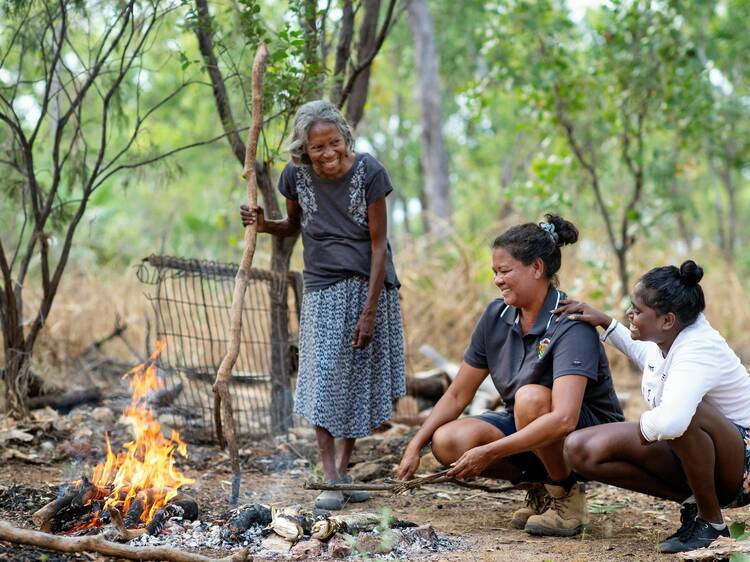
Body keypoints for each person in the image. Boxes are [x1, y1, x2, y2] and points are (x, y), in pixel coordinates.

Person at [396, 215, 624, 537]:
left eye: (505, 271)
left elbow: (563, 420)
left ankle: (566, 494)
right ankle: (542, 487)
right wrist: (415, 445)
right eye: (494, 273)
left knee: (530, 398)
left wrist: (489, 452)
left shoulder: (570, 321)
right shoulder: (496, 315)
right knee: (447, 442)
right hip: (528, 422)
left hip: (586, 432)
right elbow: (459, 394)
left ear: (536, 268)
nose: (498, 280)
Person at [240, 100, 406, 510]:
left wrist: (369, 312)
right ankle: (329, 474)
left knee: (353, 382)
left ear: (345, 139)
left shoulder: (369, 171)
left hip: (368, 288)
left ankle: (342, 474)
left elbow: (379, 244)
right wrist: (262, 225)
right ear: (304, 149)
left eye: (334, 143)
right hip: (322, 288)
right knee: (324, 378)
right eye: (318, 148)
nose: (328, 153)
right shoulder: (295, 176)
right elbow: (294, 227)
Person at [558, 260, 750, 553]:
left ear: (667, 320)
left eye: (637, 311)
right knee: (581, 450)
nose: (629, 314)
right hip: (703, 452)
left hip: (741, 462)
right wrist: (606, 323)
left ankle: (711, 523)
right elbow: (645, 352)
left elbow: (673, 422)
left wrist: (639, 436)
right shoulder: (668, 337)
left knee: (682, 415)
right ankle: (694, 503)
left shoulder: (698, 348)